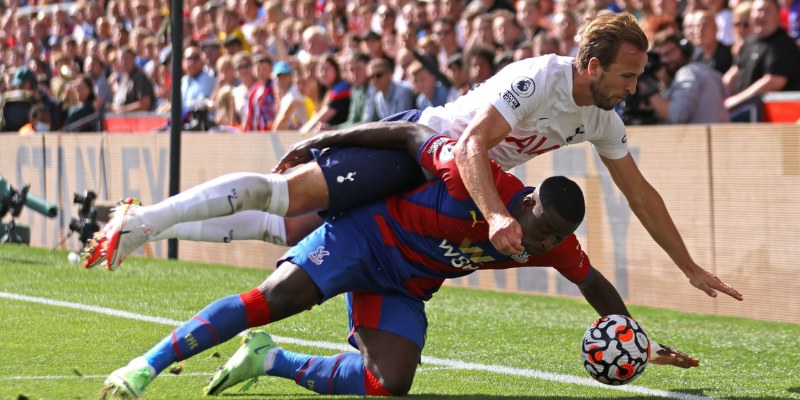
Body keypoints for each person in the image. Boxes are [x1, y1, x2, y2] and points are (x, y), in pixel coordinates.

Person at [83, 13, 743, 302]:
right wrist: (495, 215)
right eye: (627, 76)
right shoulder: (540, 76)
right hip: (423, 152)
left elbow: (639, 190)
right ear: (591, 64)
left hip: (461, 183)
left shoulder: (601, 114)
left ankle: (145, 221)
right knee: (286, 199)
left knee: (295, 231)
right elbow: (469, 144)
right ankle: (142, 222)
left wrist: (687, 266)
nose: (633, 89)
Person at [100, 124, 698, 398]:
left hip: (407, 284)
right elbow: (410, 138)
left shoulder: (555, 242)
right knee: (273, 299)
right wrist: (328, 141)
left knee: (391, 386)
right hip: (363, 236)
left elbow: (593, 284)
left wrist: (638, 339)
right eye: (539, 229)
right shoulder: (477, 178)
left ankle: (271, 362)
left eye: (551, 240)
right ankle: (143, 369)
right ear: (528, 200)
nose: (540, 245)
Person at [647, 32, 730, 124]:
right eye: (660, 56)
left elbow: (678, 115)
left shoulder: (688, 73)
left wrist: (647, 90)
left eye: (669, 53)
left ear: (683, 49)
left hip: (704, 136)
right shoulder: (701, 69)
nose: (665, 60)